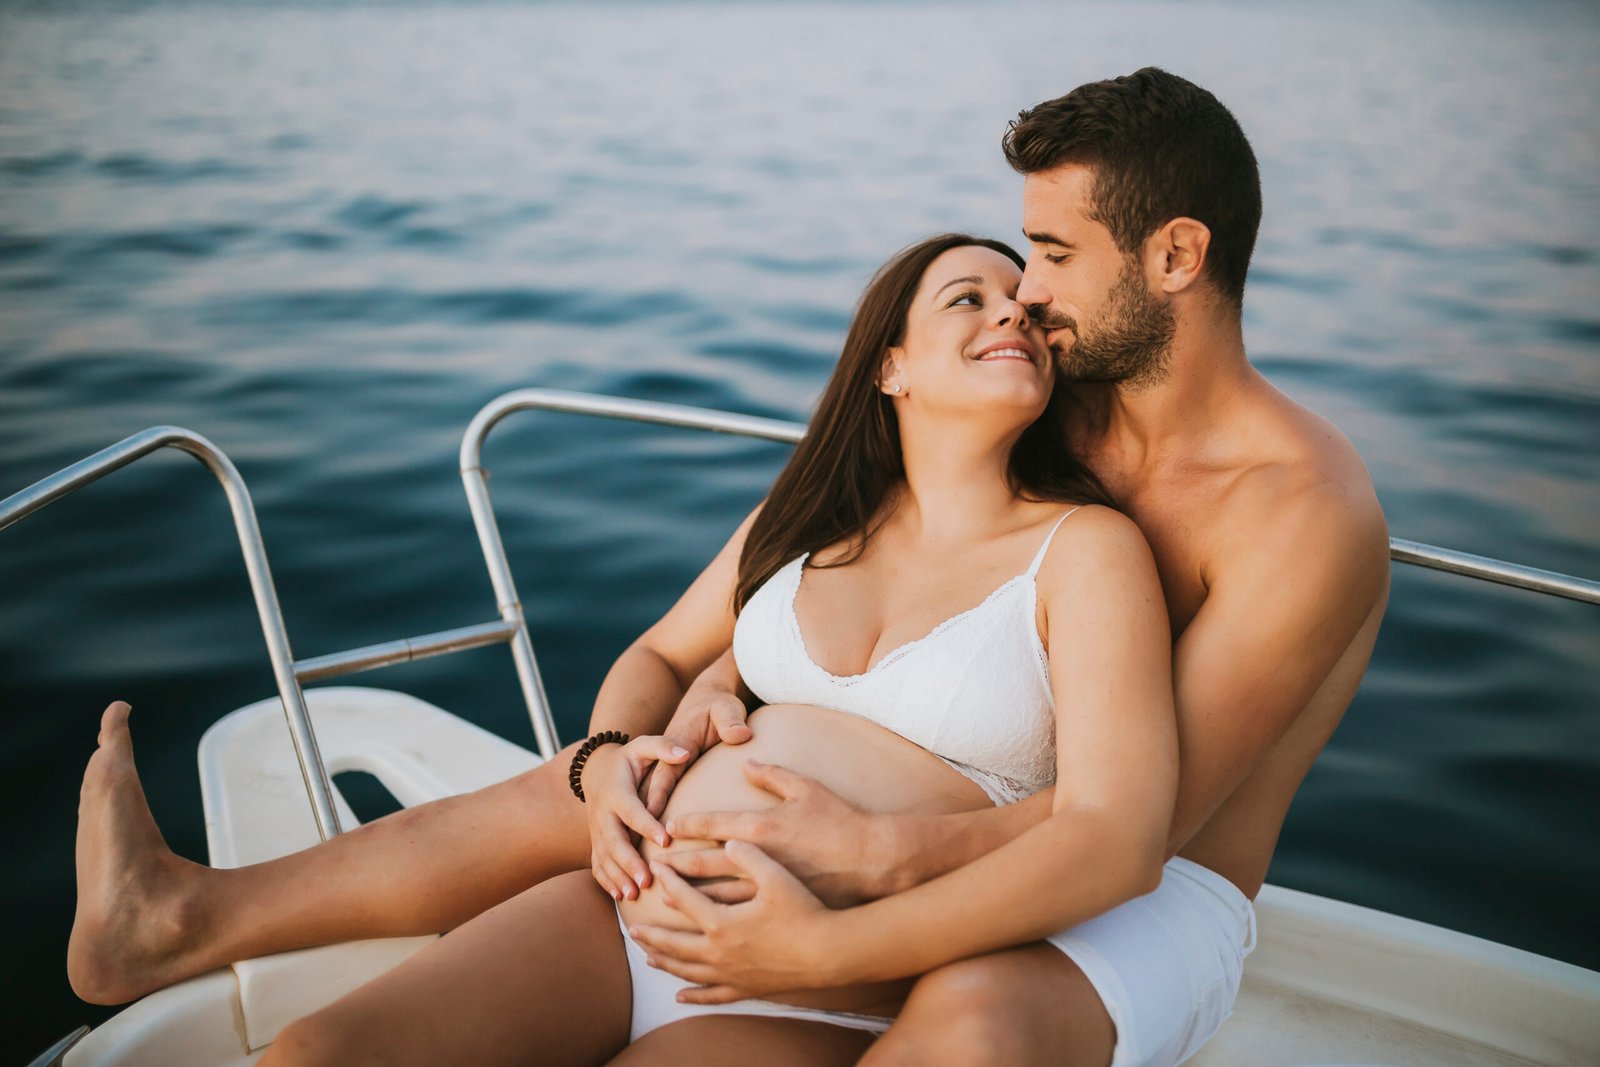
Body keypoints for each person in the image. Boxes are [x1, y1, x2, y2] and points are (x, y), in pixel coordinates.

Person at [71, 68, 1390, 1067]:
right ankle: (182, 913)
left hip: (1135, 886)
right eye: (999, 275)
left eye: (1049, 259)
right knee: (572, 807)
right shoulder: (1055, 414)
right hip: (860, 846)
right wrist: (705, 691)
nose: (1024, 302)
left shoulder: (1298, 511)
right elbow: (866, 568)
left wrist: (855, 868)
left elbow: (1128, 825)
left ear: (1175, 255)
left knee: (972, 1014)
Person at [255, 232, 1176, 1065]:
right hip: (619, 917)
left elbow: (1105, 818)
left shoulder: (1085, 551)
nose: (1012, 306)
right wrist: (607, 759)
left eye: (1020, 299)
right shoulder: (811, 520)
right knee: (314, 1053)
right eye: (967, 297)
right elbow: (655, 656)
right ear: (890, 366)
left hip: (827, 993)